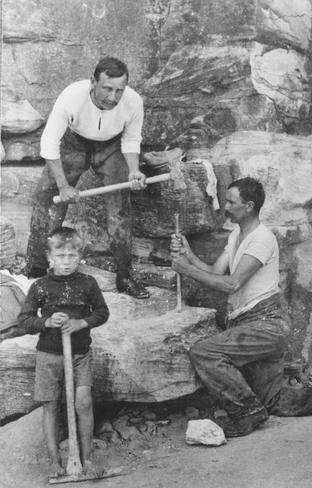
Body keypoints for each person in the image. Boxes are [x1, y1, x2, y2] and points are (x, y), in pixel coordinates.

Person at [170, 177, 312, 438]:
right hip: (249, 323)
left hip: (266, 324)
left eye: (231, 202)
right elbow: (215, 272)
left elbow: (231, 284)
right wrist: (188, 255)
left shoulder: (262, 239)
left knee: (204, 352)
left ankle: (246, 414)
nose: (225, 207)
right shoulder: (237, 235)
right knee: (273, 402)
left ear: (249, 206)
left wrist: (185, 270)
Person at [24, 56, 150, 299]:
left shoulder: (133, 102)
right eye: (107, 89)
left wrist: (134, 170)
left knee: (120, 207)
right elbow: (49, 142)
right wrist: (62, 186)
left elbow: (132, 139)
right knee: (47, 199)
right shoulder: (71, 97)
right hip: (74, 142)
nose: (113, 97)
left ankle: (124, 275)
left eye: (119, 91)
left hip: (112, 145)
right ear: (93, 82)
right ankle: (37, 270)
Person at [16, 227, 109, 479]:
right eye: (60, 256)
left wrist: (82, 322)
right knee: (51, 405)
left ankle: (86, 458)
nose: (66, 261)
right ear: (49, 257)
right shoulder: (40, 287)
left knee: (84, 402)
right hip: (48, 355)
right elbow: (24, 321)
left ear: (80, 256)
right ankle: (55, 462)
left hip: (79, 355)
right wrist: (46, 322)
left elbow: (102, 312)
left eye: (71, 255)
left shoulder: (87, 283)